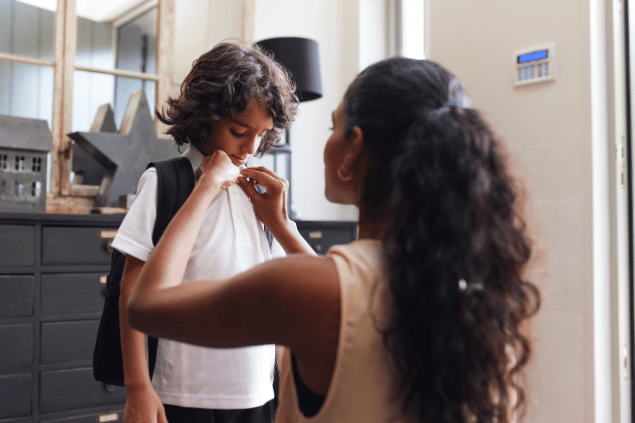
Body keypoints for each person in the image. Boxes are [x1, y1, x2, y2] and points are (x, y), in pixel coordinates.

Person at [126, 57, 541, 423]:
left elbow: (145, 306)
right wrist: (283, 226)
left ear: (353, 149)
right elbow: (336, 283)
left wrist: (207, 191)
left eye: (333, 126)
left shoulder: (308, 288)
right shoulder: (479, 294)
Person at [112, 42, 314, 423]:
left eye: (262, 134)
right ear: (207, 117)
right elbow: (131, 289)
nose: (251, 147)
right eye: (239, 130)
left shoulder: (258, 197)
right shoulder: (166, 182)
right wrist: (139, 386)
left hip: (255, 391)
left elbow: (293, 294)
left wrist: (281, 224)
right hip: (183, 393)